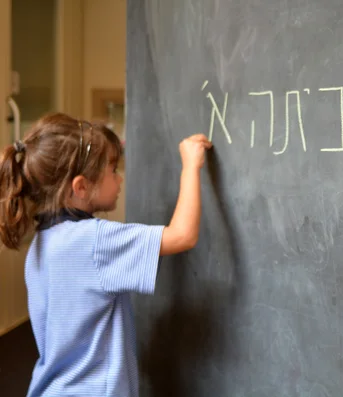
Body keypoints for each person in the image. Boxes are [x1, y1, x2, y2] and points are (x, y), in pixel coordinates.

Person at [0, 112, 212, 397]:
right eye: (113, 170)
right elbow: (183, 235)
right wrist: (190, 165)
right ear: (81, 187)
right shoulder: (93, 240)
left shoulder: (43, 244)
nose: (120, 177)